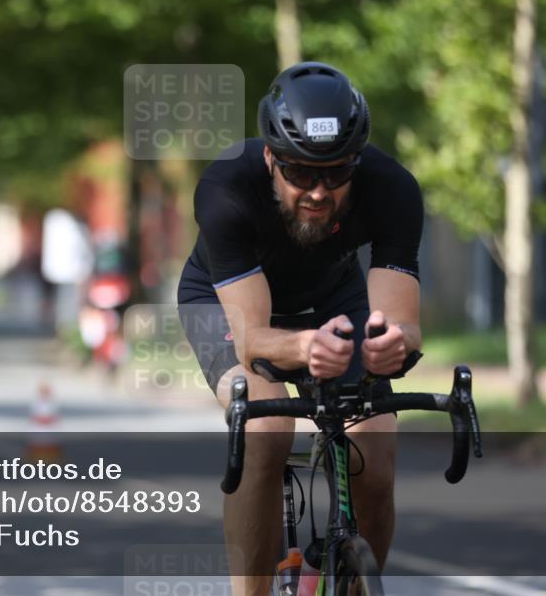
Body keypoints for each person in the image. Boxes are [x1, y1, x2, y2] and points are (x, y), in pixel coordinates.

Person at [177, 62, 424, 595]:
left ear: (356, 163)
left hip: (332, 297)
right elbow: (254, 339)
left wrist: (391, 347)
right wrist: (305, 347)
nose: (318, 191)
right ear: (270, 158)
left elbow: (402, 326)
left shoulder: (393, 189)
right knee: (266, 431)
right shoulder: (226, 187)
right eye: (300, 173)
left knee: (376, 452)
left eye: (336, 174)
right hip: (225, 305)